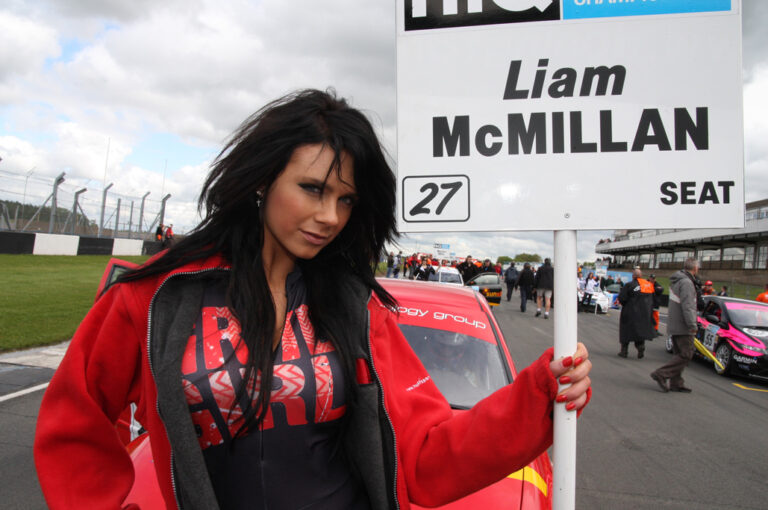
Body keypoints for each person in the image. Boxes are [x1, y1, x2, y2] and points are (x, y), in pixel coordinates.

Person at [34, 89, 592, 510]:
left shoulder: (355, 307)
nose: (330, 217)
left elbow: (424, 455)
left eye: (346, 200)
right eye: (312, 189)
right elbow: (73, 426)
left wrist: (538, 395)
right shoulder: (157, 296)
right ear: (261, 180)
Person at [651, 258, 700, 393]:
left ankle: (676, 382)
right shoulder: (687, 283)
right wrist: (692, 324)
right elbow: (688, 306)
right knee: (686, 354)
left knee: (679, 354)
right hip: (683, 326)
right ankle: (661, 374)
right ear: (695, 269)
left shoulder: (677, 280)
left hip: (675, 323)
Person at [617, 268, 656, 358]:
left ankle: (624, 351)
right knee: (640, 332)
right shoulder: (649, 285)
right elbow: (653, 299)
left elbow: (622, 298)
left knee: (625, 331)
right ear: (641, 275)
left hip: (630, 312)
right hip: (644, 313)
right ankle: (640, 346)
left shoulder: (629, 285)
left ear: (633, 276)